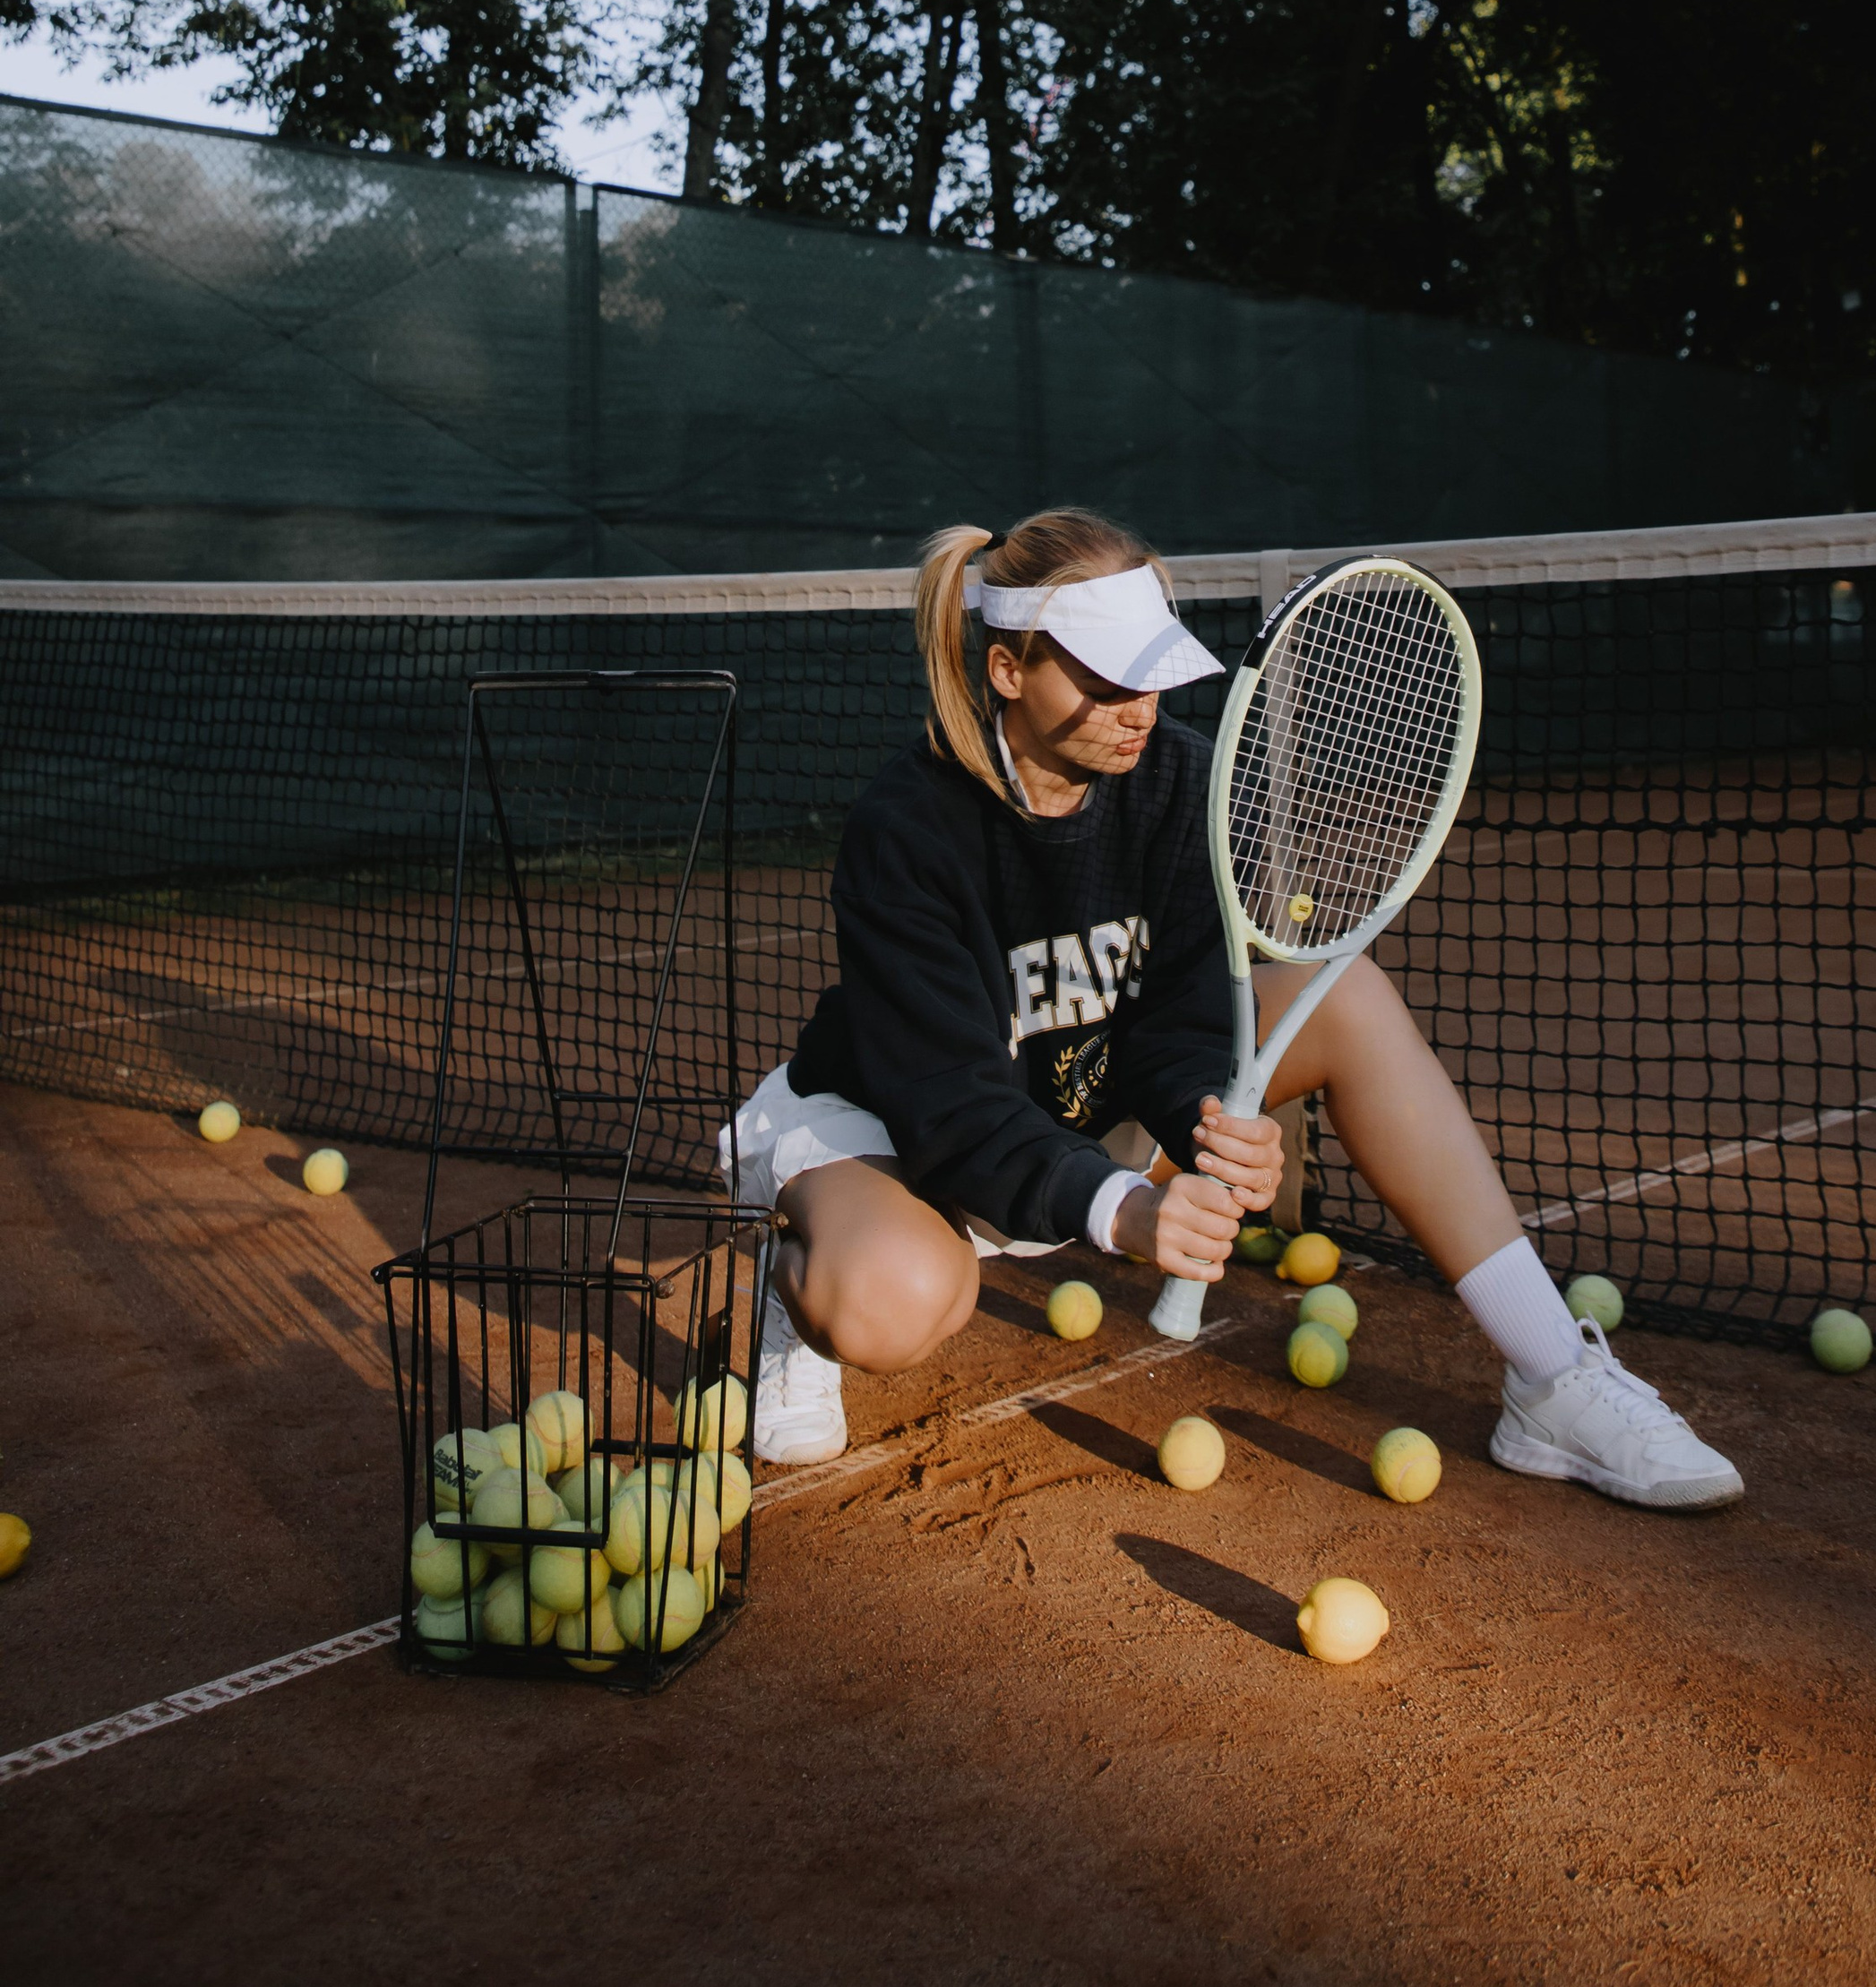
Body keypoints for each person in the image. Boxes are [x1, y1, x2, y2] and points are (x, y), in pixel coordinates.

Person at [722, 506, 1743, 1511]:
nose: (1141, 707)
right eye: (1108, 678)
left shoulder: (1180, 784)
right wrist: (1126, 1210)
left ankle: (1552, 1375)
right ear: (1007, 673)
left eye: (1153, 673)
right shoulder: (909, 828)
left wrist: (1206, 1111)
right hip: (905, 1137)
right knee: (895, 1302)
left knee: (1345, 993)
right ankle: (791, 1287)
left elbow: (1180, 1014)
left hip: (1074, 1108)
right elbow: (950, 1102)